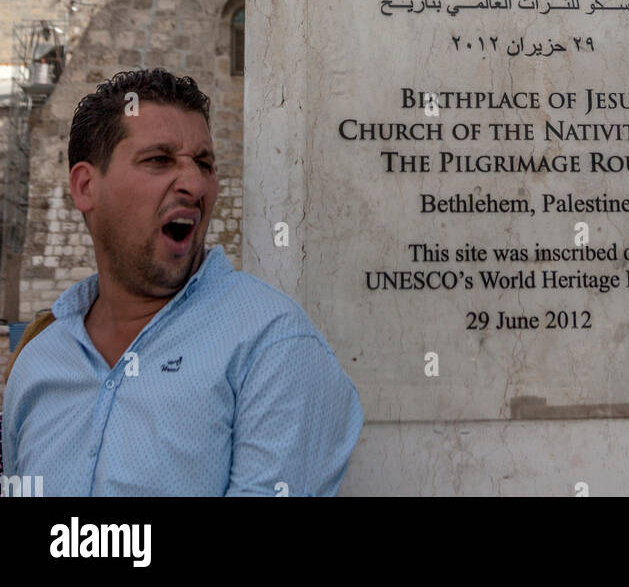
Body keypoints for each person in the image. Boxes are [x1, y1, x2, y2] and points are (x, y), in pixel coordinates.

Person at [1, 68, 363, 496]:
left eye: (204, 164)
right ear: (85, 186)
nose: (194, 184)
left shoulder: (273, 346)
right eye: (159, 160)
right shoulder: (40, 359)